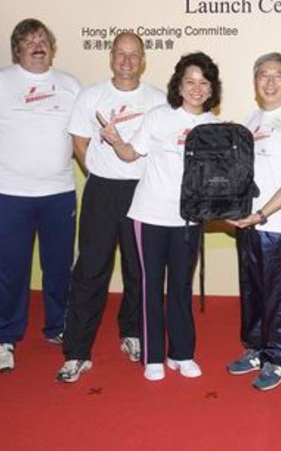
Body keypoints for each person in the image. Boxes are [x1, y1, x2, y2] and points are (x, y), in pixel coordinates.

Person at [0, 18, 82, 372]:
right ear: (17, 48)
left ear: (53, 47)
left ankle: (58, 326)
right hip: (10, 194)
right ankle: (3, 336)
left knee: (60, 268)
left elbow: (81, 135)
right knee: (11, 271)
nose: (38, 45)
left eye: (44, 39)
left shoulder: (70, 85)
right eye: (29, 40)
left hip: (60, 193)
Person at [99, 52, 221, 381]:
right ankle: (153, 356)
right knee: (151, 285)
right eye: (190, 81)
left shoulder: (214, 128)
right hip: (148, 215)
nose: (196, 88)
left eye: (204, 82)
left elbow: (218, 181)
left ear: (211, 90)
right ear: (178, 85)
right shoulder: (158, 117)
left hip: (188, 220)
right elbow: (129, 154)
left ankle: (181, 353)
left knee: (181, 286)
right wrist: (116, 139)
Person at [56, 33, 166, 383]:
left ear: (143, 59)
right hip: (102, 192)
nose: (127, 61)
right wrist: (99, 171)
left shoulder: (158, 99)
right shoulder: (92, 96)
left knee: (139, 269)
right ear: (111, 57)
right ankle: (76, 352)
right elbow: (78, 139)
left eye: (134, 55)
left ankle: (131, 333)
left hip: (144, 194)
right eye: (121, 54)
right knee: (90, 270)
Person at [226, 53, 281, 391]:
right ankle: (257, 350)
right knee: (253, 293)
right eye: (263, 75)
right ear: (255, 81)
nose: (270, 82)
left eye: (277, 75)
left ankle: (278, 360)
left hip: (278, 226)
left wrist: (261, 214)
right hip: (248, 224)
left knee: (279, 297)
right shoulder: (251, 120)